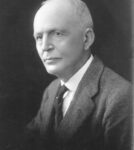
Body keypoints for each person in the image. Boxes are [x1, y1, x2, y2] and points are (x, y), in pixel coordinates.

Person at [25, 0, 132, 150]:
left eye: (57, 33)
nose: (44, 47)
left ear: (87, 39)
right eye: (39, 37)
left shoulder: (121, 98)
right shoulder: (52, 90)